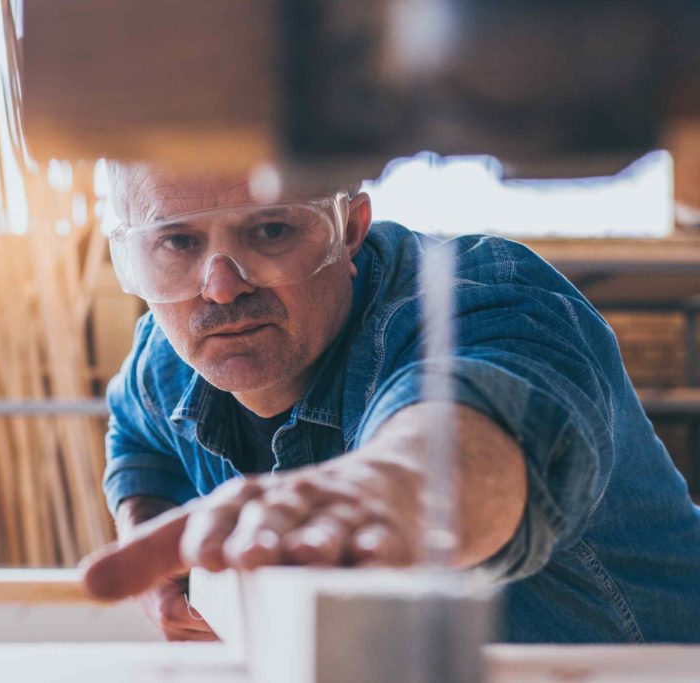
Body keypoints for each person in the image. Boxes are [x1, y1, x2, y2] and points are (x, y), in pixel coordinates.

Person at [81, 162, 700, 643]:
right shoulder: (165, 359)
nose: (220, 288)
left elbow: (472, 420)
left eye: (270, 230)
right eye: (177, 243)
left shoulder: (485, 301)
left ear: (348, 230)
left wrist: (399, 484)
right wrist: (151, 535)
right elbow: (140, 439)